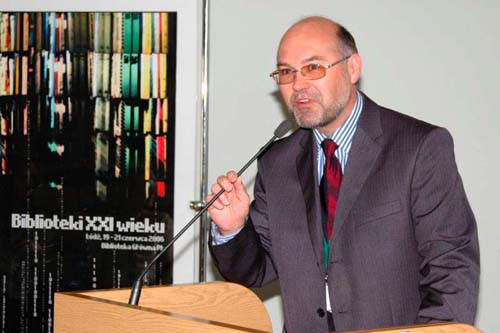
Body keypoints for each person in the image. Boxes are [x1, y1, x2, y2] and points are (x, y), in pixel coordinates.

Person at [207, 16, 479, 332]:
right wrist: (233, 229)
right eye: (286, 72)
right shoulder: (277, 162)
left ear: (352, 69)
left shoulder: (418, 148)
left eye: (313, 68)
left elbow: (452, 267)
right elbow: (255, 272)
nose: (298, 85)